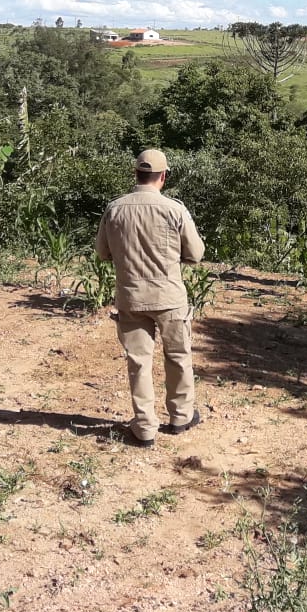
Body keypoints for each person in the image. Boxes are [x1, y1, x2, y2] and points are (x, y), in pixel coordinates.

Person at [95, 149, 205, 447]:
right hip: (169, 296)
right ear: (163, 176)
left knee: (138, 361)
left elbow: (102, 252)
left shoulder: (115, 209)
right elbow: (196, 254)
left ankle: (144, 427)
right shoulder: (174, 210)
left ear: (136, 174)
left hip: (131, 296)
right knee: (178, 356)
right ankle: (181, 416)